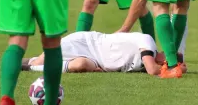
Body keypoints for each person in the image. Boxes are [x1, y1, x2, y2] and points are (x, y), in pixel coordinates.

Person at [21, 31, 162, 75]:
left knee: (80, 65)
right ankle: (26, 63)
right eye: (168, 60)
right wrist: (175, 70)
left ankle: (29, 67)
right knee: (42, 59)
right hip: (88, 43)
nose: (166, 63)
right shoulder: (148, 41)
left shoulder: (145, 62)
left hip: (97, 62)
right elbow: (153, 70)